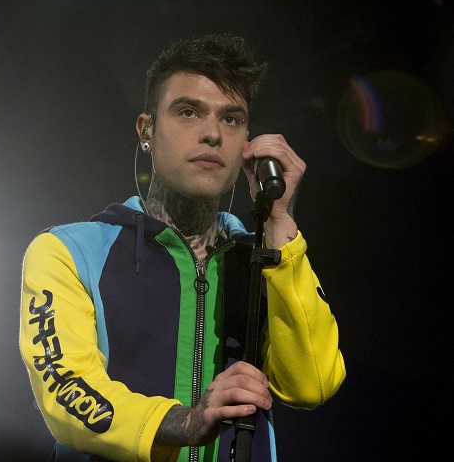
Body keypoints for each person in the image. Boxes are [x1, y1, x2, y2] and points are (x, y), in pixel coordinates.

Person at [19, 33, 346, 462]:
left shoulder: (267, 261)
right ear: (146, 131)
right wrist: (185, 423)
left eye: (231, 119)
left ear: (247, 143)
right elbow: (66, 391)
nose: (212, 134)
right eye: (188, 112)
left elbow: (312, 384)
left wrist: (279, 221)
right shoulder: (69, 252)